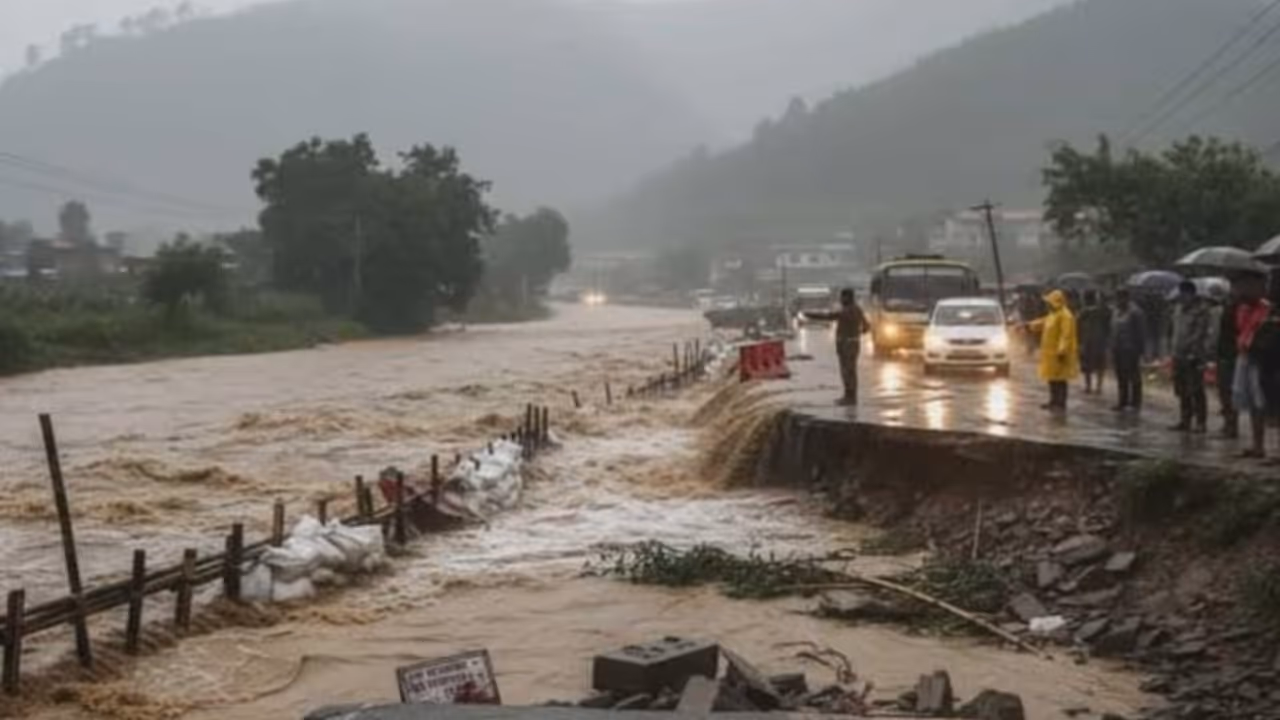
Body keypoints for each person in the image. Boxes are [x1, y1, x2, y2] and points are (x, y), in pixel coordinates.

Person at [803, 288, 870, 406]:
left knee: (847, 371)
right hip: (853, 344)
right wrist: (857, 332)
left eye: (842, 297)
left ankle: (849, 398)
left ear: (847, 297)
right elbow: (867, 327)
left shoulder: (848, 310)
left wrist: (809, 315)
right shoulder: (858, 310)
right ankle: (850, 396)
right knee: (851, 371)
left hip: (847, 345)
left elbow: (829, 316)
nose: (841, 300)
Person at [1232, 273, 1272, 458]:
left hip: (1261, 360)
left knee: (1261, 401)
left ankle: (1263, 446)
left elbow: (1263, 332)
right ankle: (1257, 445)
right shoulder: (1242, 308)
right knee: (1249, 402)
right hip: (1244, 356)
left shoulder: (1267, 309)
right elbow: (1242, 330)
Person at [1168, 281, 1213, 433]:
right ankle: (1185, 420)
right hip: (1178, 354)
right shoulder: (1178, 309)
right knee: (1181, 390)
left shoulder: (1201, 311)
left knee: (1196, 389)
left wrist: (1193, 351)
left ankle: (1201, 422)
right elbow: (1175, 331)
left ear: (1192, 294)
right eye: (1180, 293)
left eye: (1185, 294)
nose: (1182, 297)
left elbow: (1200, 334)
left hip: (1194, 356)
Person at [1028, 289, 1079, 411]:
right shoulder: (1053, 314)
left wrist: (1062, 351)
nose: (1047, 304)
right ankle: (1053, 401)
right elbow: (1042, 322)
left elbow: (1066, 335)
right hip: (1050, 354)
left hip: (1059, 354)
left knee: (1060, 380)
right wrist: (1028, 326)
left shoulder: (1066, 316)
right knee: (1052, 379)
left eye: (1049, 302)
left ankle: (1060, 403)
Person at [1111, 288, 1146, 412]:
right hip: (1118, 348)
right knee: (1121, 376)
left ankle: (1135, 403)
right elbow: (1113, 330)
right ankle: (1122, 401)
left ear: (1126, 298)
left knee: (1133, 376)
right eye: (1116, 298)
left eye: (1120, 298)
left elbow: (1141, 333)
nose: (1117, 301)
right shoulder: (1116, 311)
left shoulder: (1136, 312)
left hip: (1131, 349)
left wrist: (1141, 350)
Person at [1216, 282, 1241, 438]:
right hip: (1223, 352)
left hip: (1232, 353)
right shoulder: (1226, 306)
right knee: (1223, 391)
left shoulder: (1238, 308)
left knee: (1229, 391)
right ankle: (1227, 423)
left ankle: (1232, 426)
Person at [1077, 290, 1112, 394]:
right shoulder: (1103, 310)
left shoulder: (1083, 312)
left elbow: (1077, 327)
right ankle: (1098, 387)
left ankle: (1088, 387)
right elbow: (1109, 324)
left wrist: (1079, 342)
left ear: (1085, 299)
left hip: (1087, 341)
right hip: (1100, 341)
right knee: (1100, 365)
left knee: (1087, 365)